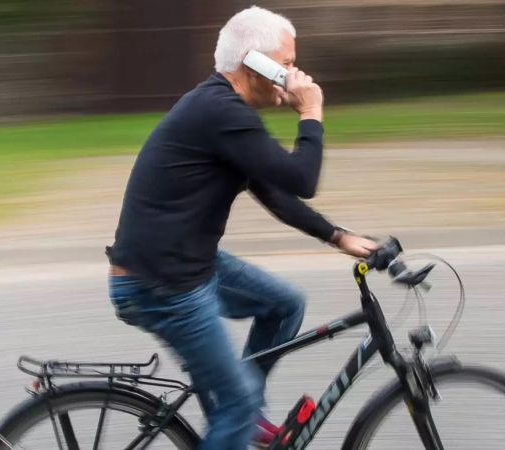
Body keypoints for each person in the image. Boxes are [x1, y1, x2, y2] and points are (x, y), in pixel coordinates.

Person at [106, 6, 377, 450]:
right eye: (287, 64)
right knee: (237, 400)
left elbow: (276, 193)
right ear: (256, 63)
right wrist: (311, 112)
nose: (296, 74)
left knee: (284, 304)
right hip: (161, 285)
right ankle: (238, 413)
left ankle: (241, 419)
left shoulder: (222, 111)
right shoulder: (220, 112)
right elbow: (303, 180)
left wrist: (338, 236)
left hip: (184, 268)